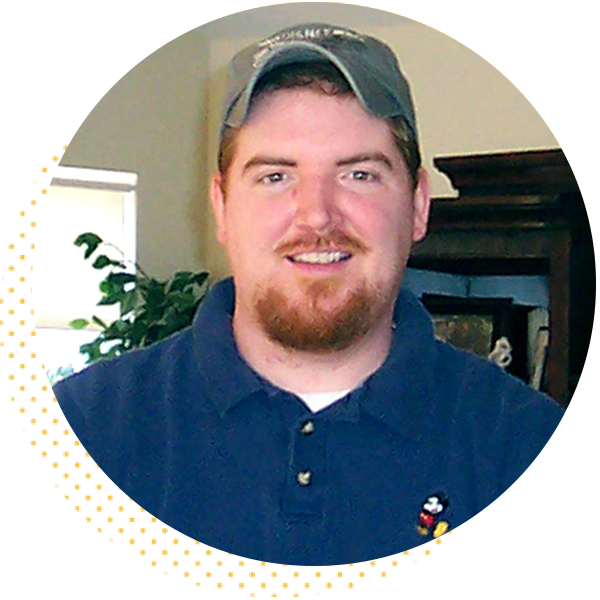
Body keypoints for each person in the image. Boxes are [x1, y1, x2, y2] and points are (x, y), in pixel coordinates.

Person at [53, 23, 564, 566]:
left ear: (418, 206)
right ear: (222, 207)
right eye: (275, 177)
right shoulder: (81, 435)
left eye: (359, 174)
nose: (316, 215)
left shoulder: (531, 449)